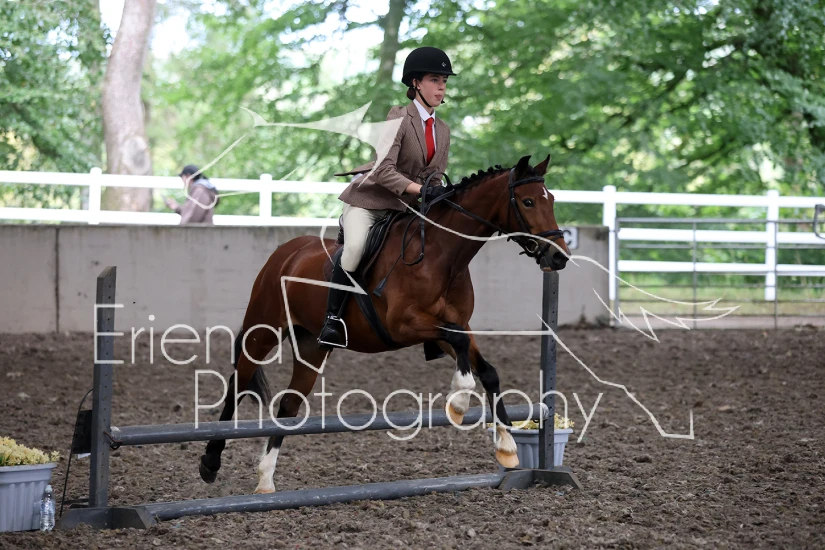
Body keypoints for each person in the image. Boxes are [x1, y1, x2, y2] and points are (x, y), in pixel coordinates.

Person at [318, 46, 456, 348]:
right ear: (416, 83)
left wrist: (440, 194)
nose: (442, 87)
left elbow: (434, 176)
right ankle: (332, 321)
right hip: (370, 203)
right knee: (355, 248)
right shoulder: (399, 117)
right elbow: (383, 170)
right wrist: (420, 190)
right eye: (435, 80)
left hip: (404, 210)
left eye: (444, 81)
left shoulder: (443, 130)